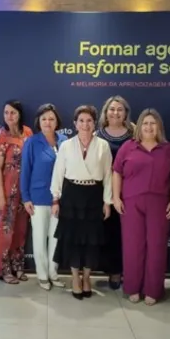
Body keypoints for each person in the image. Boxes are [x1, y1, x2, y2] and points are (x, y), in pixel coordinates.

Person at [112, 108, 170, 305]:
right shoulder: (128, 147)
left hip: (159, 203)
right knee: (133, 246)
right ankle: (132, 287)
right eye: (146, 123)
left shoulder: (169, 150)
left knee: (156, 246)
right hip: (131, 203)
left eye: (153, 123)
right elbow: (116, 172)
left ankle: (153, 290)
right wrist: (116, 198)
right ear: (139, 126)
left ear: (159, 127)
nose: (149, 127)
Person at [51, 105, 113, 299]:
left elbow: (108, 175)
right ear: (75, 124)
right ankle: (75, 278)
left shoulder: (102, 145)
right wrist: (55, 198)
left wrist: (107, 202)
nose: (85, 125)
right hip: (71, 195)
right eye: (81, 121)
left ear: (94, 123)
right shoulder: (66, 145)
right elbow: (58, 173)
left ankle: (87, 278)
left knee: (91, 242)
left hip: (94, 195)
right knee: (72, 240)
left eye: (89, 121)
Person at [20, 104, 68, 291]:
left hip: (60, 199)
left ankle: (53, 273)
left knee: (56, 238)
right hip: (38, 198)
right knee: (39, 238)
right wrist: (26, 198)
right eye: (44, 119)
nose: (48, 122)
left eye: (51, 119)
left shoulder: (65, 141)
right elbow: (25, 171)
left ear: (57, 122)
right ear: (39, 122)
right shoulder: (32, 142)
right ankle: (42, 275)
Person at [0, 100, 34, 283]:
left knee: (21, 229)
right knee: (6, 229)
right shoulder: (2, 134)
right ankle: (4, 268)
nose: (9, 116)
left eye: (13, 113)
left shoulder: (28, 132)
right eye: (6, 112)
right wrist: (0, 194)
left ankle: (17, 265)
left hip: (25, 185)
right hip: (8, 184)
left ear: (19, 115)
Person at [95, 95, 134, 289]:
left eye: (119, 109)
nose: (115, 112)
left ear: (125, 113)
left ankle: (130, 272)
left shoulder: (135, 133)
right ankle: (113, 272)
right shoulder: (97, 135)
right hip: (105, 192)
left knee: (128, 234)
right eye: (112, 109)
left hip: (131, 191)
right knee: (109, 233)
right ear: (106, 112)